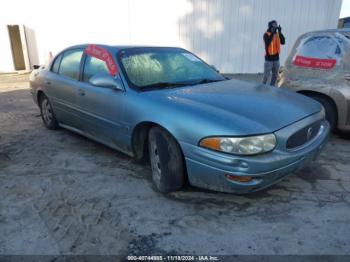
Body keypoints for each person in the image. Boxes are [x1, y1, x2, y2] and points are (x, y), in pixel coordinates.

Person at [262, 20, 285, 86]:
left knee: (275, 75)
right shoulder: (266, 34)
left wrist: (280, 32)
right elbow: (267, 43)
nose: (276, 26)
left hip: (276, 58)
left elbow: (283, 42)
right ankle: (262, 87)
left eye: (276, 25)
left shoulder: (277, 34)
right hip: (268, 59)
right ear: (270, 26)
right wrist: (272, 33)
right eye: (274, 25)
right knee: (266, 76)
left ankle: (271, 87)